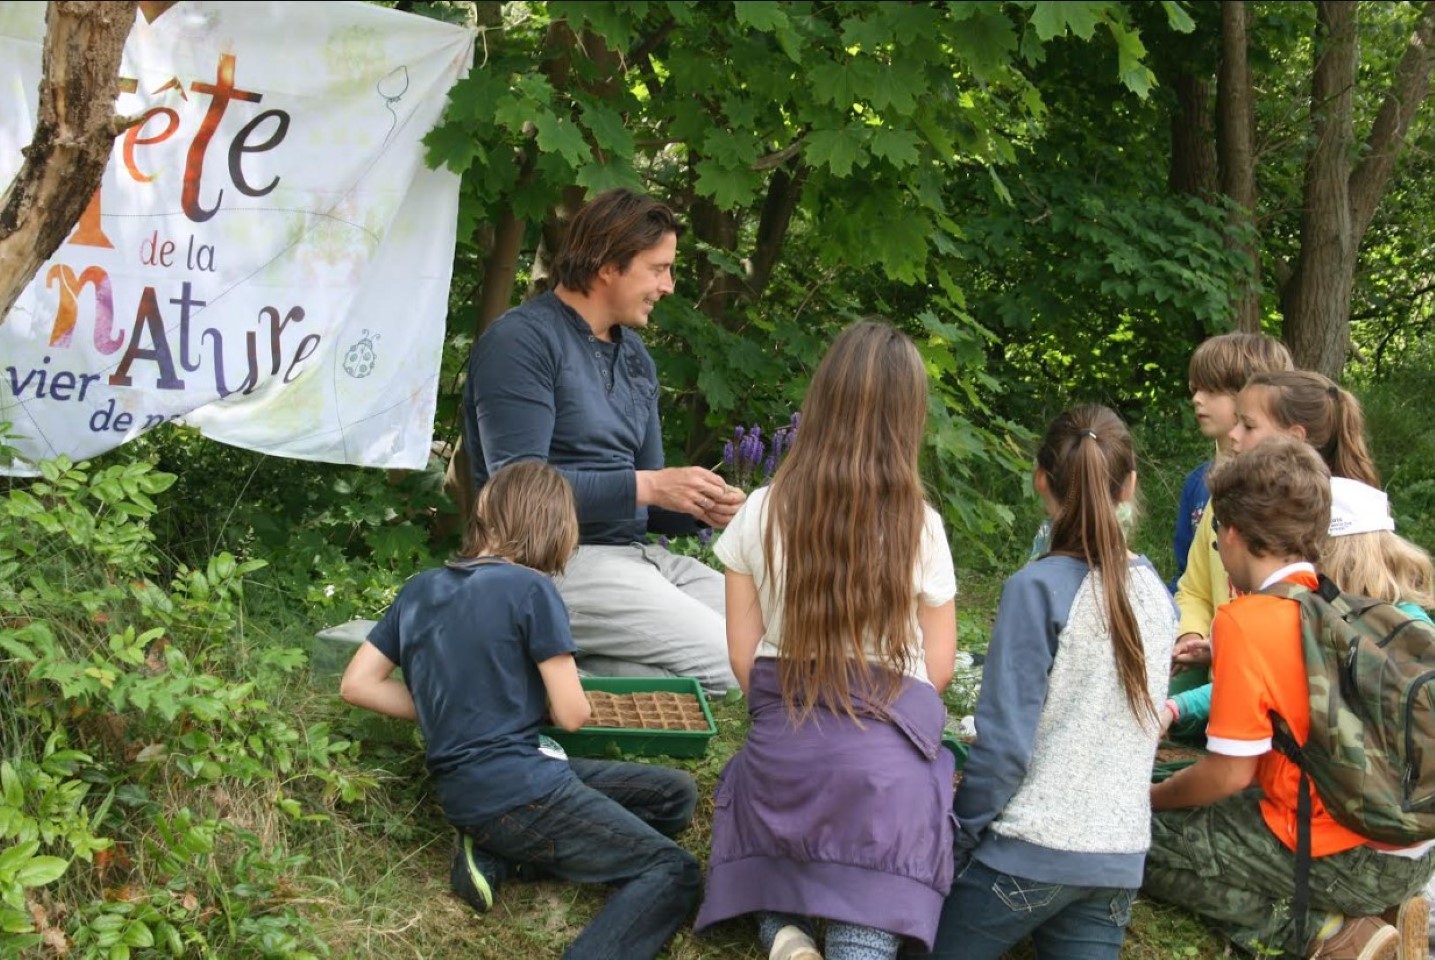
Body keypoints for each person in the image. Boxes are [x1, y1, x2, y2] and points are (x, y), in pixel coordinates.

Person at [339, 460, 701, 960]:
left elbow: (357, 684)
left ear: (485, 515)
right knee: (674, 869)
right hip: (522, 792)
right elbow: (572, 714)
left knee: (674, 795)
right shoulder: (532, 589)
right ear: (555, 527)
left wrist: (454, 712)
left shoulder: (419, 589)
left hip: (470, 792)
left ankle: (497, 851)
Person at [693, 321, 959, 960]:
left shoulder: (760, 508)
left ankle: (783, 934)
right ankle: (852, 940)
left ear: (820, 402)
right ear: (909, 417)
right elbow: (940, 667)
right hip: (882, 779)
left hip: (783, 757)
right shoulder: (921, 526)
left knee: (772, 859)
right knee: (870, 892)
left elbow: (741, 655)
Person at [1143, 436, 1434, 960]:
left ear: (1230, 533)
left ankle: (1332, 936)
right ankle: (1358, 918)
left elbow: (1229, 774)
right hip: (1409, 848)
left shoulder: (1244, 621)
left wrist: (1146, 800)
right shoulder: (1336, 603)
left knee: (1134, 845)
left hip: (1346, 857)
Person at [460, 188, 745, 694]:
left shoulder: (635, 358)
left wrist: (701, 505)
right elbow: (514, 494)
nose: (669, 286)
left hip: (634, 559)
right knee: (736, 665)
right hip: (547, 563)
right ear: (607, 264)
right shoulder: (521, 342)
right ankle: (553, 667)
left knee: (772, 640)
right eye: (658, 269)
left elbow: (650, 507)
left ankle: (568, 658)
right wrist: (651, 487)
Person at [926, 405, 1177, 960]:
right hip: (1117, 861)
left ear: (1041, 479)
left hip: (1027, 852)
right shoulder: (1157, 592)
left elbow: (1005, 747)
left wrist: (959, 835)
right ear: (1130, 485)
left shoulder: (1035, 587)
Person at [1170, 368, 1378, 722]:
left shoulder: (1343, 527)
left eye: (1248, 426)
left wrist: (1179, 707)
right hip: (1224, 690)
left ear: (1294, 438)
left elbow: (1287, 666)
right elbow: (1194, 587)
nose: (1233, 436)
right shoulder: (1223, 501)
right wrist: (1199, 638)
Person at [1162, 476, 1433, 735]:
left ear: (1330, 554)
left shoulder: (1337, 626)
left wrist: (1178, 707)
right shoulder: (1403, 617)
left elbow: (1263, 680)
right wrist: (1222, 652)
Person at [1168, 333, 1293, 695]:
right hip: (1213, 665)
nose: (1196, 399)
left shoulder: (1300, 500)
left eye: (1211, 390)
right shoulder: (1201, 488)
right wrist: (1189, 632)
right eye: (1195, 388)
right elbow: (1190, 583)